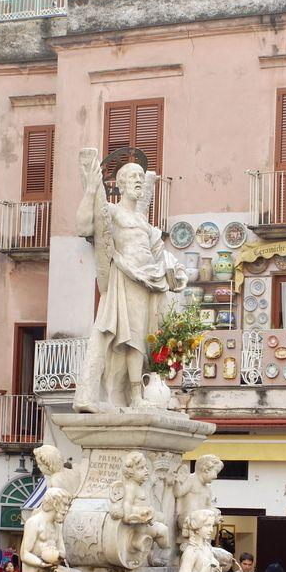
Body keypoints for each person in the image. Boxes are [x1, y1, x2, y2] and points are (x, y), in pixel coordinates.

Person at [74, 152, 188, 412]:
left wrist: (178, 272)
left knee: (144, 341)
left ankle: (136, 394)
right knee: (132, 337)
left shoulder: (145, 223)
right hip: (126, 278)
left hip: (150, 283)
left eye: (140, 176)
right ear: (121, 184)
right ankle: (131, 396)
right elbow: (83, 226)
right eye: (132, 177)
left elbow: (161, 254)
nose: (138, 181)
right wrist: (91, 190)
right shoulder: (113, 212)